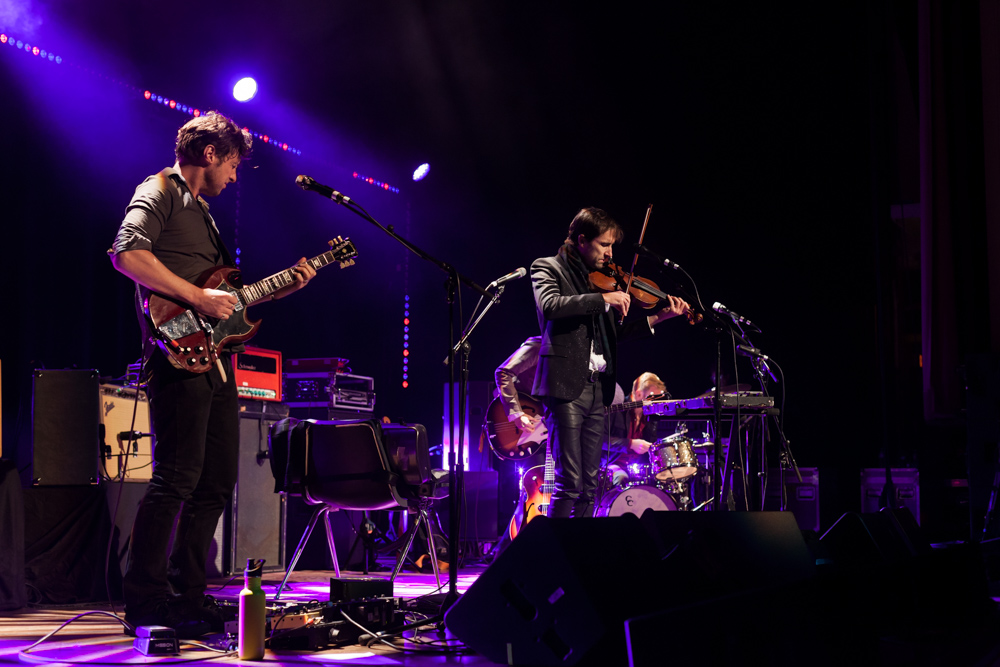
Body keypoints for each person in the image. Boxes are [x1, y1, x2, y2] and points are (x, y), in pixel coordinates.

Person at [109, 112, 316, 635]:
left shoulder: (202, 212)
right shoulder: (158, 190)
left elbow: (228, 300)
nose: (235, 176)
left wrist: (288, 284)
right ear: (210, 154)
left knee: (216, 481)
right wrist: (199, 296)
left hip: (215, 358)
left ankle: (188, 593)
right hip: (175, 354)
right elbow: (127, 255)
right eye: (233, 164)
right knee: (176, 477)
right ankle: (146, 598)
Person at [530, 207, 691, 518]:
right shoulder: (548, 267)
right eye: (604, 245)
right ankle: (555, 556)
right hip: (565, 385)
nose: (610, 253)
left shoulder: (602, 279)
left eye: (612, 246)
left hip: (596, 388)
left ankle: (579, 557)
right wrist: (602, 300)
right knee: (569, 482)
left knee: (590, 485)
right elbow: (550, 305)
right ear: (581, 240)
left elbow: (614, 333)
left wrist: (660, 316)